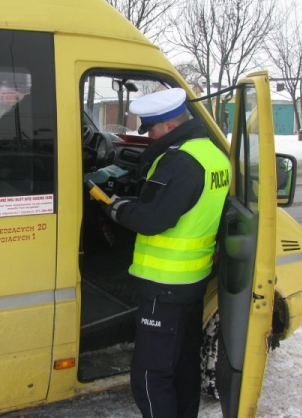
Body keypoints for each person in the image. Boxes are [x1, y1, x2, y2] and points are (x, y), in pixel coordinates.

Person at [101, 88, 231, 418]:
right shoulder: (213, 155)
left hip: (164, 284)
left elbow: (153, 219)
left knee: (150, 375)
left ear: (170, 127)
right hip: (193, 279)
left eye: (152, 130)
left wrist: (114, 207)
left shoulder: (180, 161)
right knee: (183, 365)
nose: (149, 137)